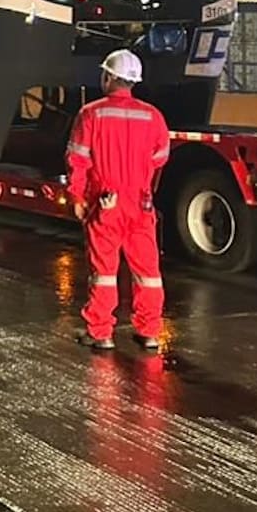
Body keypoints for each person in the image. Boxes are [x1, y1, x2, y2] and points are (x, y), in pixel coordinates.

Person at [66, 49, 171, 353]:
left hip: (106, 203)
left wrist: (76, 195)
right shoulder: (152, 116)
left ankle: (101, 333)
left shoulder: (91, 114)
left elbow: (78, 160)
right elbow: (160, 156)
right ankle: (150, 332)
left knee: (104, 272)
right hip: (140, 203)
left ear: (109, 77)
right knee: (148, 272)